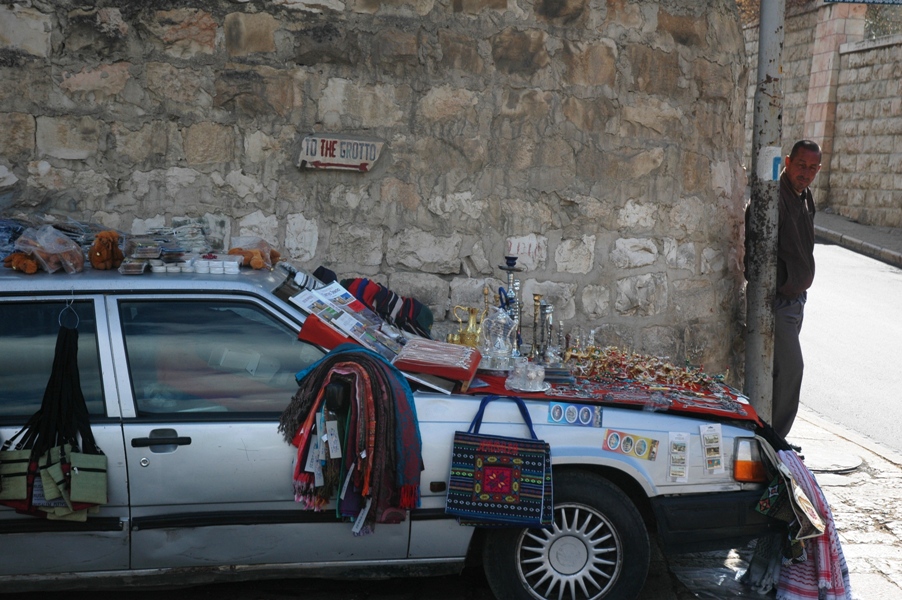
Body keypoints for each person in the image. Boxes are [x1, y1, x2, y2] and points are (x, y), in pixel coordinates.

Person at [770, 139, 821, 438]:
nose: (806, 173)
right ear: (787, 162)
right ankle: (775, 439)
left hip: (796, 299)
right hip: (779, 301)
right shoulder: (775, 198)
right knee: (791, 370)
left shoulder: (804, 197)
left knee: (781, 373)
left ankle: (771, 436)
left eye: (812, 168)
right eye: (801, 165)